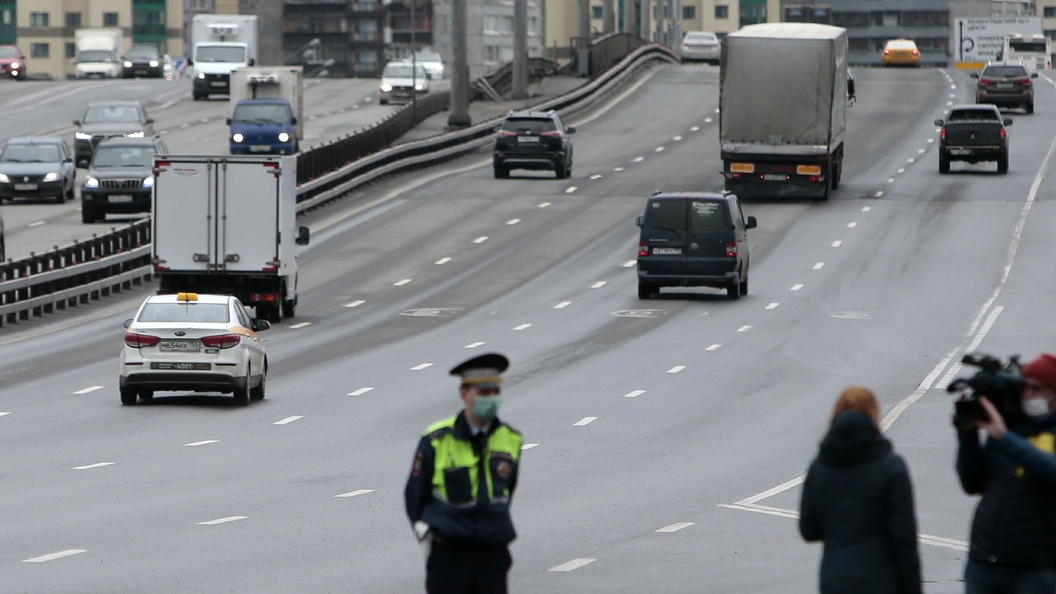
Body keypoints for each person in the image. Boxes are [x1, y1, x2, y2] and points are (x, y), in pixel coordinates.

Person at [404, 353, 523, 594]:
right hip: (450, 556)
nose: (490, 399)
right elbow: (415, 495)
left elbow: (507, 491)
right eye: (483, 393)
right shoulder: (437, 439)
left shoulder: (510, 438)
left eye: (495, 392)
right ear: (464, 394)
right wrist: (426, 533)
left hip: (492, 555)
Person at [799, 386, 922, 594]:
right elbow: (905, 539)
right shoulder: (892, 467)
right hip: (882, 580)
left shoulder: (819, 467)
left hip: (835, 579)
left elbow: (809, 530)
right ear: (874, 415)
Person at [956, 353, 1056, 594]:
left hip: (1035, 569)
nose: (1029, 395)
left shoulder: (1008, 435)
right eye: (1026, 388)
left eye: (1037, 389)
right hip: (985, 562)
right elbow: (973, 483)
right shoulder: (1011, 428)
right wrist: (967, 435)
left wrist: (1004, 437)